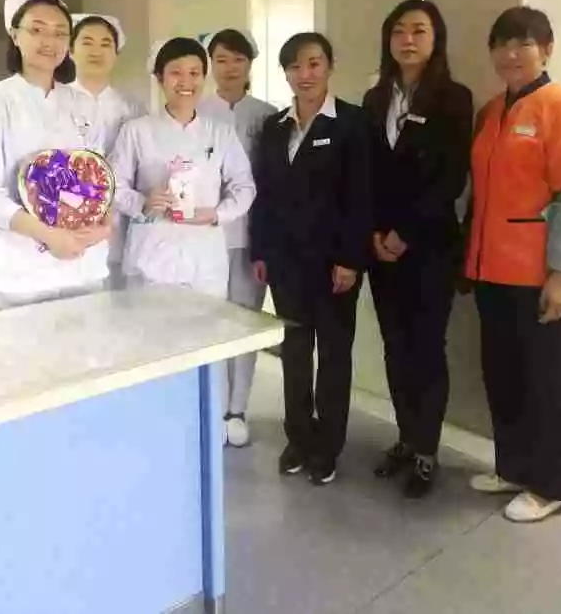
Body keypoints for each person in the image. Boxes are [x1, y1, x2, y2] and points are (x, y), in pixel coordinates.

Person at [465, 6, 561, 523]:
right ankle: (513, 466)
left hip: (539, 276)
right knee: (503, 376)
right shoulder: (491, 111)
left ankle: (554, 483)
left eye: (523, 43)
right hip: (491, 271)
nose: (510, 54)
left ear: (546, 49)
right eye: (502, 44)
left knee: (548, 383)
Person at [250, 32, 372, 485]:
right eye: (295, 66)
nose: (305, 74)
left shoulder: (352, 123)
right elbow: (264, 194)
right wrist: (261, 249)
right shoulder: (275, 126)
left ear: (329, 67)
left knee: (334, 356)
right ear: (285, 73)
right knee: (295, 354)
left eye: (314, 63)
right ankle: (299, 437)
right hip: (285, 263)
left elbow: (361, 197)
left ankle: (328, 445)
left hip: (333, 265)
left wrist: (350, 259)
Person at [363, 0, 473, 498]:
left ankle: (427, 451)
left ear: (435, 39)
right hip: (380, 248)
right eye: (399, 31)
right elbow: (367, 174)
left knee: (426, 348)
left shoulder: (453, 98)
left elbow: (450, 177)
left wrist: (403, 232)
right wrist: (374, 233)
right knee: (395, 346)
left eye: (419, 30)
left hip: (428, 246)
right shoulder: (374, 98)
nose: (408, 40)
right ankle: (406, 438)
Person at [0, 0, 111, 312]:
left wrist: (104, 225)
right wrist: (47, 235)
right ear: (15, 36)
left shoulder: (84, 104)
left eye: (60, 33)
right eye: (37, 29)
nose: (49, 41)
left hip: (84, 269)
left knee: (90, 343)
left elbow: (101, 180)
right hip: (21, 276)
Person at [111, 37, 255, 300]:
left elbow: (244, 187)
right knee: (150, 324)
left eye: (194, 73)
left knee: (207, 324)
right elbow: (112, 185)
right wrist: (143, 202)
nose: (186, 82)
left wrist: (216, 214)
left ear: (204, 78)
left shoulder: (220, 133)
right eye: (176, 73)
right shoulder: (137, 130)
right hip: (151, 255)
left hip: (205, 258)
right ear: (160, 78)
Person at [199, 29, 277, 447]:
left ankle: (237, 409)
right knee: (208, 323)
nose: (230, 68)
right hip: (204, 238)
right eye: (222, 59)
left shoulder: (268, 116)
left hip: (250, 238)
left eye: (238, 59)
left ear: (250, 64)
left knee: (243, 324)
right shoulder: (196, 111)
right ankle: (211, 406)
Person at [70, 13, 142, 286]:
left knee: (121, 298)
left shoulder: (132, 108)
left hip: (120, 220)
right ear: (70, 50)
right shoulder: (56, 102)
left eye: (105, 44)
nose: (96, 51)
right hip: (71, 218)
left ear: (115, 54)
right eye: (87, 42)